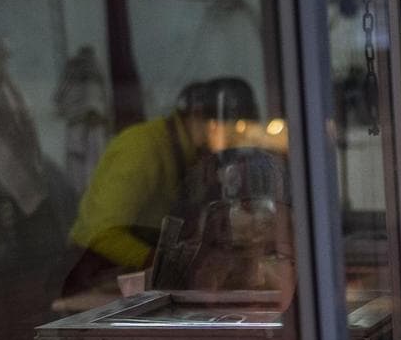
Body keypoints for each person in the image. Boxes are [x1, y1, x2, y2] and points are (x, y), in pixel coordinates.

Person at [66, 76, 259, 287]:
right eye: (222, 129)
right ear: (196, 115)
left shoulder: (195, 159)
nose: (228, 142)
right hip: (96, 278)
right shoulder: (142, 148)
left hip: (141, 279)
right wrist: (163, 265)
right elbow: (101, 234)